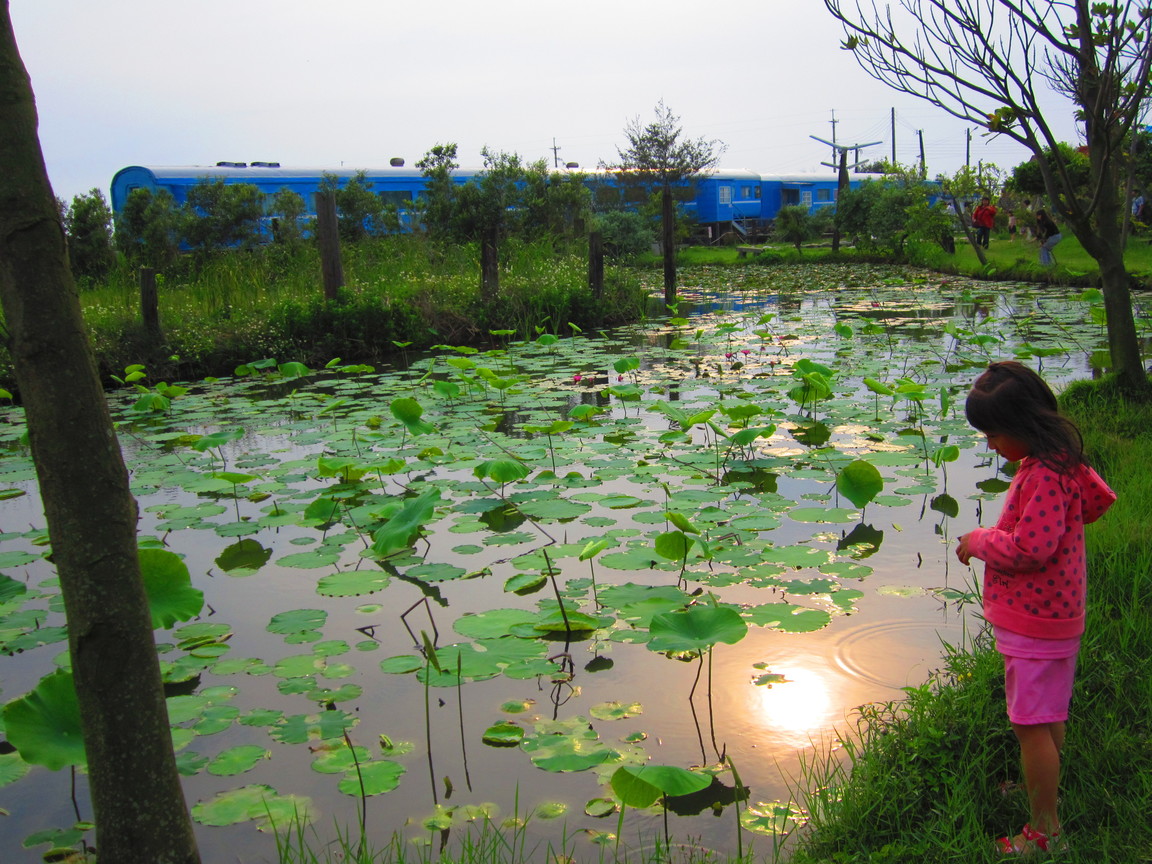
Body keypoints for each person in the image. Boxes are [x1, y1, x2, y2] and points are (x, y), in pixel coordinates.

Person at [956, 362, 1116, 856]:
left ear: (1024, 425)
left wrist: (980, 539)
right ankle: (1039, 784)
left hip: (1038, 620)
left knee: (1029, 724)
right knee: (1047, 715)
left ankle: (1045, 833)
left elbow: (1031, 548)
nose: (990, 445)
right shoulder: (1060, 462)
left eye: (994, 434)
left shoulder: (1045, 474)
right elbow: (1092, 504)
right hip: (1055, 617)